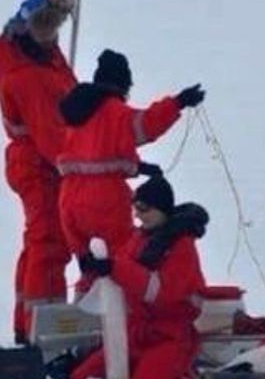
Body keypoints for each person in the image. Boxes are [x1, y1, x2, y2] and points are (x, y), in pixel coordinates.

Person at [57, 49, 205, 277]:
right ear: (122, 83)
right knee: (119, 262)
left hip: (69, 198)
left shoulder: (75, 115)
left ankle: (84, 307)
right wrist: (178, 102)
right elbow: (147, 124)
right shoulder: (115, 111)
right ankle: (120, 311)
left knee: (88, 265)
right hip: (104, 200)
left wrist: (139, 168)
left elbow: (95, 155)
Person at [0, 0, 78, 342]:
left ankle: (25, 325)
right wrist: (81, 167)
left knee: (38, 242)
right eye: (43, 28)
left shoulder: (37, 50)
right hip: (39, 163)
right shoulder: (28, 77)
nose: (50, 35)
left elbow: (42, 11)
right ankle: (44, 332)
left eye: (54, 26)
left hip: (35, 160)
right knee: (49, 243)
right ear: (26, 29)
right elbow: (51, 135)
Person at [70, 175, 208, 379]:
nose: (137, 215)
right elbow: (119, 268)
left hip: (169, 335)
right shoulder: (139, 239)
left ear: (160, 208)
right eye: (135, 208)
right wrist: (94, 269)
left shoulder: (182, 246)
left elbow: (159, 291)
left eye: (143, 209)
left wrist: (113, 268)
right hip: (136, 333)